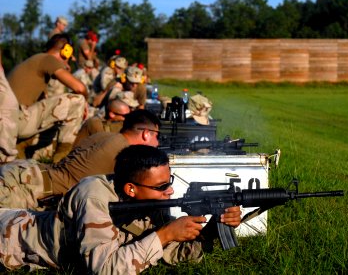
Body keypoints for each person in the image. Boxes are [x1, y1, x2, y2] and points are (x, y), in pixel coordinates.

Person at [0, 145, 242, 273]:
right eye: (162, 186)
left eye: (170, 182)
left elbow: (168, 255)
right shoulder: (93, 196)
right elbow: (105, 270)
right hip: (9, 239)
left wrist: (211, 230)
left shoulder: (152, 201)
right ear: (131, 189)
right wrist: (165, 234)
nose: (169, 191)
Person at [0, 109, 160, 210]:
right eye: (157, 137)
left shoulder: (104, 136)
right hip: (28, 190)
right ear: (146, 133)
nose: (157, 143)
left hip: (28, 173)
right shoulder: (126, 153)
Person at [4, 33, 88, 163]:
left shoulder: (35, 61)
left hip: (11, 123)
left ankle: (23, 146)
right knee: (77, 101)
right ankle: (61, 164)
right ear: (65, 52)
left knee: (53, 133)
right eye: (68, 57)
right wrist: (85, 103)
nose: (69, 61)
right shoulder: (47, 59)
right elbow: (80, 88)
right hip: (15, 120)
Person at [73, 94, 139, 146]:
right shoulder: (95, 123)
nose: (127, 119)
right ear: (112, 114)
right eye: (125, 116)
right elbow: (108, 144)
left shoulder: (113, 124)